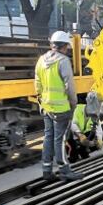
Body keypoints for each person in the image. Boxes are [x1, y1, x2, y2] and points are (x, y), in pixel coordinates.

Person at [35, 31, 82, 181]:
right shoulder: (63, 61)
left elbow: (37, 83)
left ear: (52, 44)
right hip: (61, 108)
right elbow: (70, 87)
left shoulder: (41, 60)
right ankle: (64, 170)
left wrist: (41, 100)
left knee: (48, 137)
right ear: (65, 46)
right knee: (60, 139)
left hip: (46, 106)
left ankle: (47, 170)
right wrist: (73, 103)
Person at [67, 91, 103, 162]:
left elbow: (99, 129)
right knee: (73, 159)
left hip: (83, 138)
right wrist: (80, 135)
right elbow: (72, 124)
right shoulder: (77, 109)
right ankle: (72, 153)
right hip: (72, 137)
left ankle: (83, 151)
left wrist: (99, 141)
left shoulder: (95, 115)